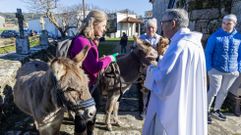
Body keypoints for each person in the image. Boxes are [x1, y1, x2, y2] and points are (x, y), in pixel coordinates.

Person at [143, 9, 207, 135]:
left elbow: (163, 80)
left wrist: (150, 68)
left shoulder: (179, 45)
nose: (161, 26)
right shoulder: (195, 44)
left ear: (173, 23)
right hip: (188, 96)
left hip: (172, 104)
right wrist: (161, 61)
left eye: (162, 23)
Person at [68, 10, 118, 135]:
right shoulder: (83, 42)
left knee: (91, 115)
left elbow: (88, 63)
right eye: (103, 25)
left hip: (90, 85)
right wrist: (109, 59)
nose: (104, 29)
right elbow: (94, 68)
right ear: (94, 24)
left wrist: (100, 59)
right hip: (83, 88)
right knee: (82, 120)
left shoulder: (86, 39)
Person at [205, 14, 241, 124]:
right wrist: (209, 68)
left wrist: (238, 69)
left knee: (224, 91)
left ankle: (216, 110)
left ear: (234, 24)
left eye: (228, 23)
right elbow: (208, 53)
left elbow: (240, 54)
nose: (225, 25)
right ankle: (205, 111)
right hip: (215, 69)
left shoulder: (239, 37)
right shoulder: (215, 36)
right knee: (214, 90)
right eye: (223, 23)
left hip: (232, 71)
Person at [136, 18, 161, 120]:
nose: (151, 30)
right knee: (140, 90)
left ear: (156, 28)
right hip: (142, 69)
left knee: (152, 90)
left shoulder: (160, 39)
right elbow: (135, 51)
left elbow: (163, 52)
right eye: (149, 27)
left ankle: (149, 110)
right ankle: (141, 110)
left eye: (153, 27)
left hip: (154, 68)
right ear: (146, 28)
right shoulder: (141, 38)